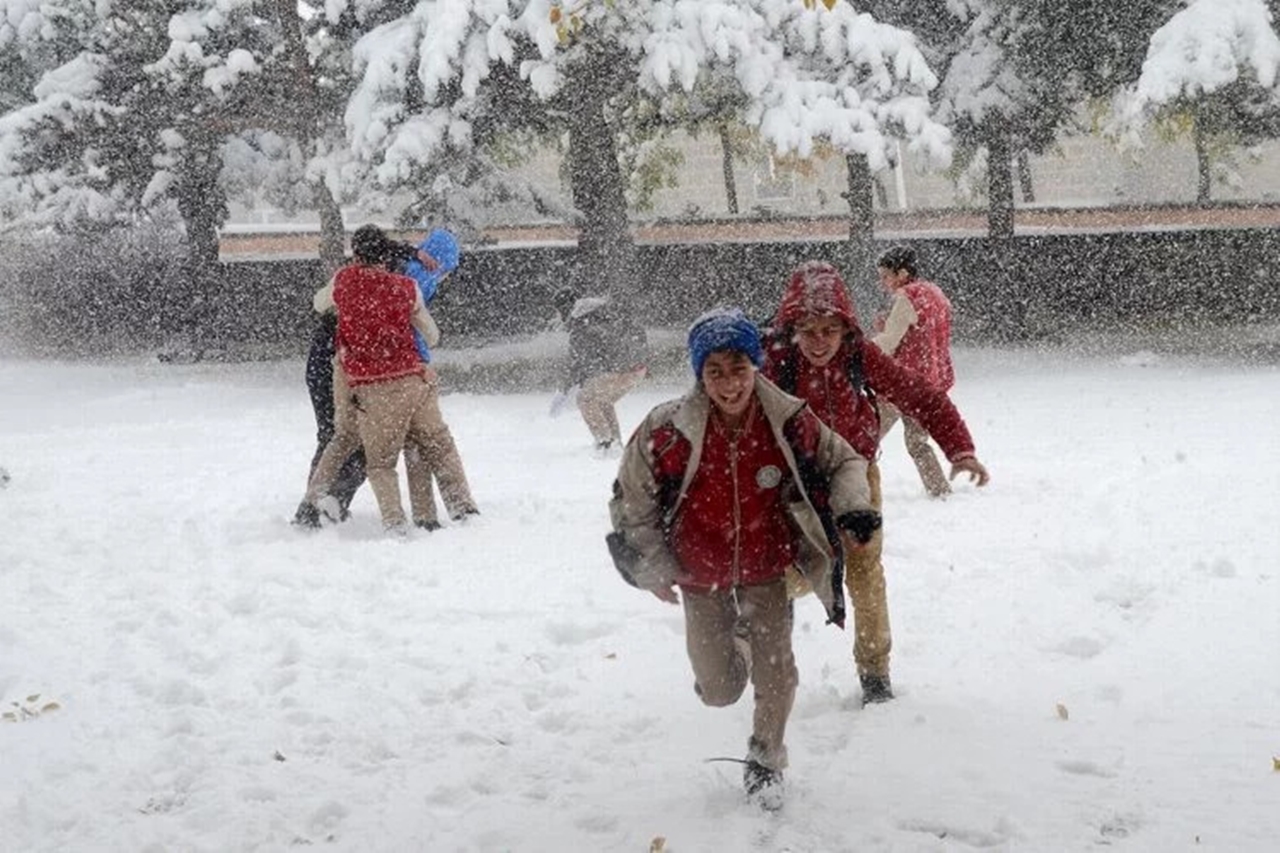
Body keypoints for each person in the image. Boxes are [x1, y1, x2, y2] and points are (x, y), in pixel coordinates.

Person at [607, 308, 881, 808]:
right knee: (717, 689)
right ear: (699, 375)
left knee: (778, 672)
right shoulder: (667, 429)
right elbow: (633, 497)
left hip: (764, 562)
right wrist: (651, 568)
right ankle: (741, 645)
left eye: (739, 369)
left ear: (756, 365)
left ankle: (765, 759)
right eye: (715, 372)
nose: (730, 384)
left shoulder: (789, 419)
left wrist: (855, 509)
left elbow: (844, 459)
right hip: (699, 569)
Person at [763, 260, 990, 705]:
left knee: (865, 574)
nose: (820, 342)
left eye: (830, 329)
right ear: (792, 328)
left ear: (845, 328)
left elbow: (920, 394)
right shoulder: (776, 363)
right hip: (798, 483)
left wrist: (959, 447)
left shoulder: (858, 354)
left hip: (857, 475)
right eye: (808, 330)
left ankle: (875, 675)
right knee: (794, 572)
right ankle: (773, 616)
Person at [295, 227, 476, 529]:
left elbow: (319, 303)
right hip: (385, 376)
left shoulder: (346, 280)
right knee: (399, 447)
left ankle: (316, 505)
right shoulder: (407, 285)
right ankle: (426, 516)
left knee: (342, 440)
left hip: (349, 370)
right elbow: (430, 335)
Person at [871, 244, 960, 498]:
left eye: (885, 276)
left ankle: (855, 487)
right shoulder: (937, 293)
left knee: (866, 437)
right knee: (918, 442)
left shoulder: (906, 296)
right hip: (928, 382)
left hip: (902, 382)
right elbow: (928, 333)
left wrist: (860, 348)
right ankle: (939, 490)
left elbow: (890, 340)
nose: (883, 282)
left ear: (901, 273)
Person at [551, 289, 648, 452]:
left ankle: (606, 443)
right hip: (637, 368)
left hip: (620, 367)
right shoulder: (601, 311)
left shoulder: (583, 322)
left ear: (565, 307)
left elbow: (578, 361)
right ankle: (615, 443)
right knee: (602, 400)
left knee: (586, 399)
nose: (560, 316)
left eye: (560, 310)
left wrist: (564, 390)